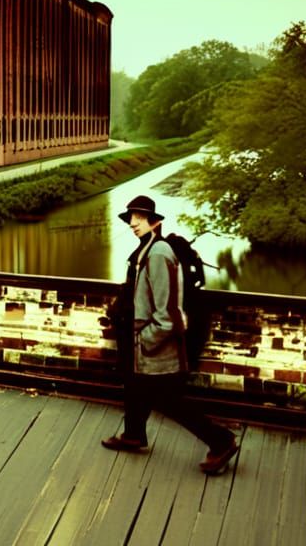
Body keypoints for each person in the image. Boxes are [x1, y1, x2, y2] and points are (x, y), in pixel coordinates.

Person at [101, 195, 240, 475]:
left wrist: (145, 340)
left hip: (154, 344)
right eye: (131, 218)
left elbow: (169, 312)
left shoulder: (160, 253)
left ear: (157, 221)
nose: (133, 223)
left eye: (140, 218)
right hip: (141, 340)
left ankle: (221, 440)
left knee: (166, 399)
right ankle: (134, 434)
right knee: (134, 385)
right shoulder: (146, 251)